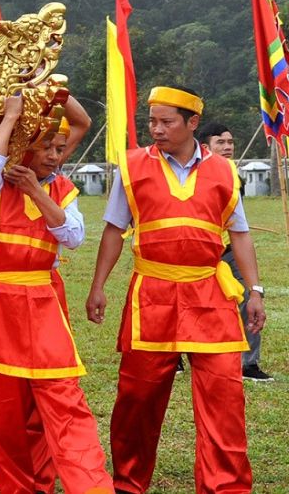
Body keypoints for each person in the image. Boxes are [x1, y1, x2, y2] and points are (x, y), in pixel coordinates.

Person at [86, 86, 265, 494]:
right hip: (153, 293)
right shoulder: (132, 167)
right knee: (138, 400)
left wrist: (254, 290)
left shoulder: (223, 170)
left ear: (192, 123)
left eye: (167, 121)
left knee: (225, 399)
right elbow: (114, 230)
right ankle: (128, 483)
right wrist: (98, 286)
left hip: (209, 295)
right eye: (152, 121)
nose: (157, 129)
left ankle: (227, 487)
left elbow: (240, 235)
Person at [0, 97, 112, 494]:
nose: (53, 155)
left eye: (59, 148)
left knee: (66, 404)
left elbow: (74, 236)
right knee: (1, 416)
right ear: (21, 146)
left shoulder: (62, 188)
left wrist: (35, 191)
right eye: (45, 146)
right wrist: (12, 113)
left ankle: (92, 488)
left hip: (43, 306)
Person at [198, 122, 272, 383]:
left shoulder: (233, 174)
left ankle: (248, 364)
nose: (228, 147)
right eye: (221, 143)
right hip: (198, 252)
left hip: (228, 249)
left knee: (249, 297)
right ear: (205, 147)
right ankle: (173, 358)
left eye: (230, 143)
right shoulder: (190, 173)